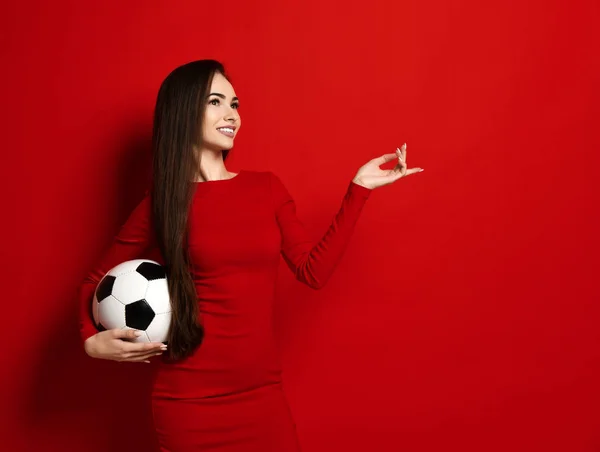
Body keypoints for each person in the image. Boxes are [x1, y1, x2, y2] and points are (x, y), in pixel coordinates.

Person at [78, 59, 423, 452]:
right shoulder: (163, 203)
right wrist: (91, 341)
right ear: (184, 110)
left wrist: (358, 189)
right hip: (187, 405)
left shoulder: (267, 189)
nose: (232, 115)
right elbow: (94, 280)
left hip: (261, 398)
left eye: (236, 104)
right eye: (216, 102)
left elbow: (313, 271)